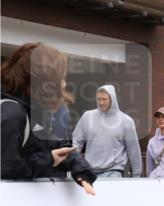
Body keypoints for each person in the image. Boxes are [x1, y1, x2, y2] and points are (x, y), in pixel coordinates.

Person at [1, 43, 96, 194]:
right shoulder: (12, 113)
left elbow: (55, 147)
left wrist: (81, 171)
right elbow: (6, 167)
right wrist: (49, 159)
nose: (64, 82)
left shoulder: (36, 110)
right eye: (61, 76)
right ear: (44, 79)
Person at [72, 84, 142, 178]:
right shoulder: (87, 117)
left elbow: (133, 150)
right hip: (90, 170)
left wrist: (136, 174)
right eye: (99, 99)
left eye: (104, 99)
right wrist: (73, 163)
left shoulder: (126, 121)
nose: (101, 102)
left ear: (112, 99)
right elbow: (77, 141)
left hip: (114, 171)